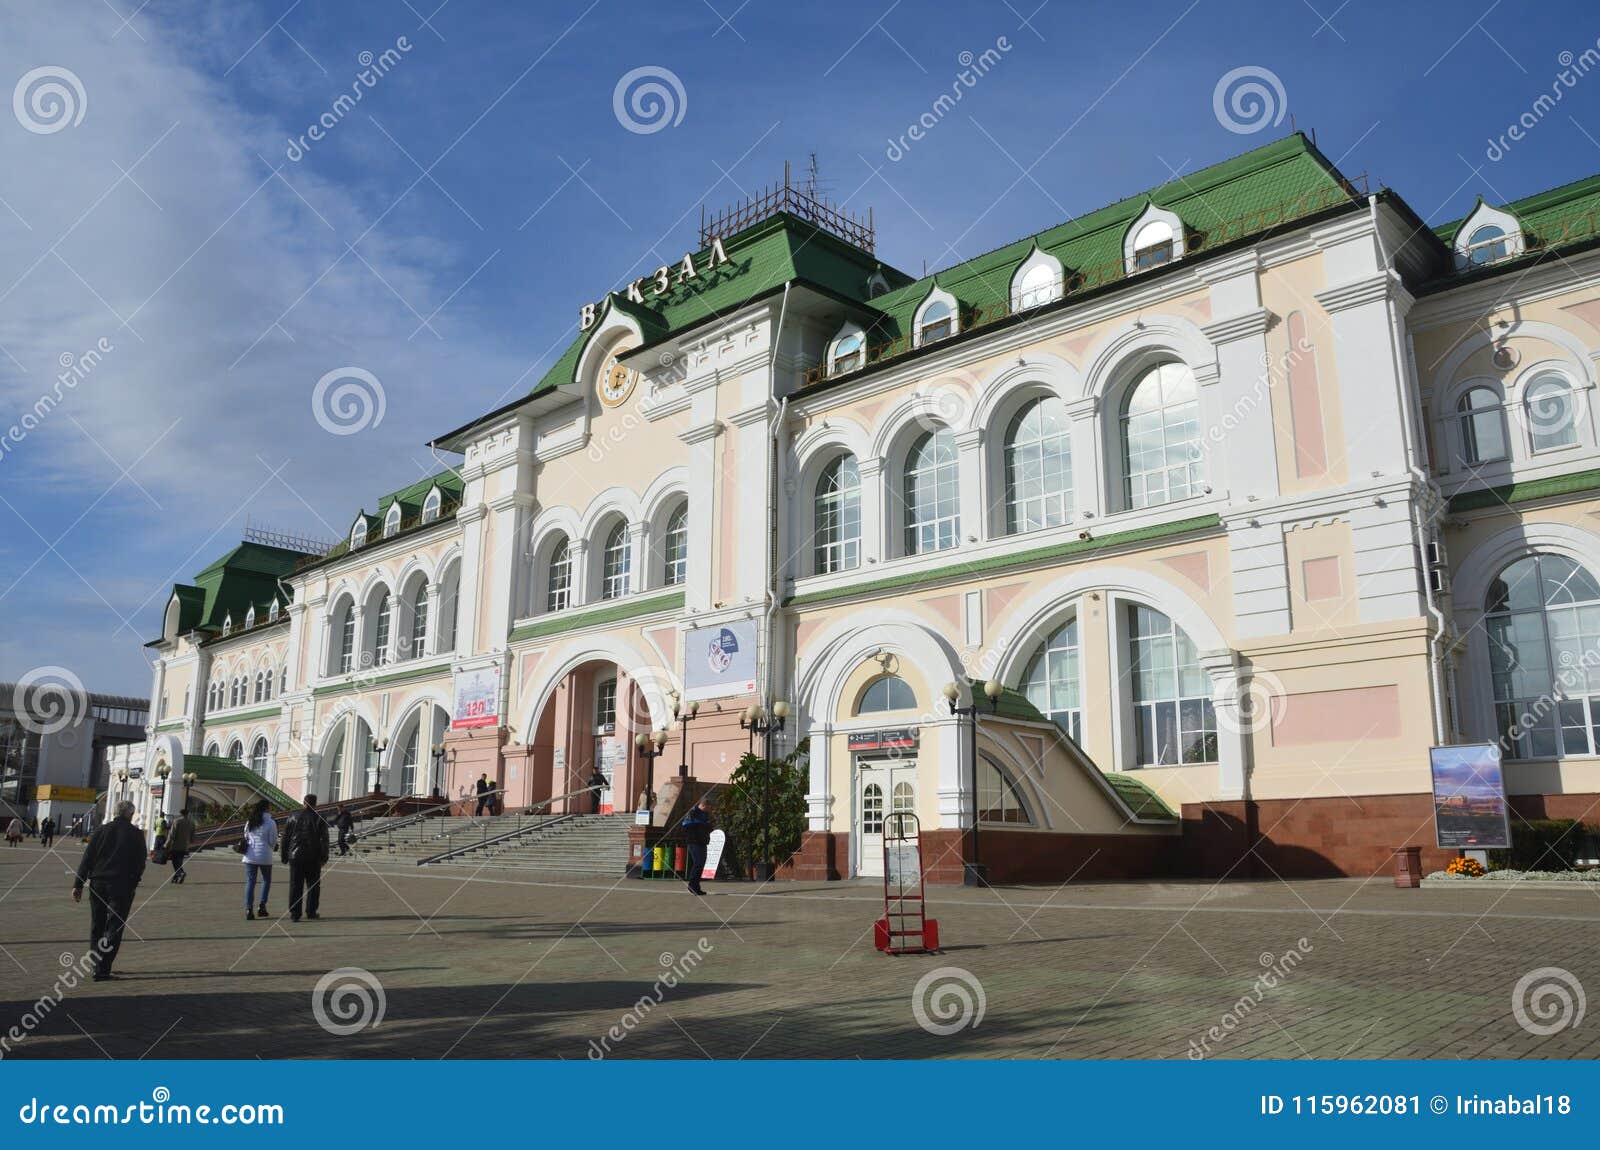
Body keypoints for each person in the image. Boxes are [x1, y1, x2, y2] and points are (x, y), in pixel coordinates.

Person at [71, 800, 146, 980]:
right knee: (114, 925)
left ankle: (96, 965)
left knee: (97, 924)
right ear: (130, 814)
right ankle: (103, 968)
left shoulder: (101, 831)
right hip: (122, 885)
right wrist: (133, 882)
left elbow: (87, 859)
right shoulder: (136, 834)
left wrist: (78, 884)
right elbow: (140, 862)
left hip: (98, 882)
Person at [280, 794, 330, 922]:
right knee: (313, 885)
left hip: (295, 856)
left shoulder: (293, 816)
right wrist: (324, 858)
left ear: (304, 803)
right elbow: (324, 840)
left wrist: (284, 855)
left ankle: (295, 913)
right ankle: (311, 911)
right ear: (315, 804)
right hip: (313, 856)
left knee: (295, 884)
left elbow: (286, 837)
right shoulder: (319, 818)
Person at [241, 799, 277, 921]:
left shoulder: (250, 821)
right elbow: (273, 840)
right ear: (266, 808)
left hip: (250, 855)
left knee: (250, 881)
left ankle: (248, 909)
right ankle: (262, 906)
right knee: (266, 880)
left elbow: (245, 836)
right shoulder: (271, 822)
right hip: (265, 855)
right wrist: (269, 848)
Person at [682, 799, 714, 896]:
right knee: (698, 863)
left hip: (702, 842)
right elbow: (686, 826)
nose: (710, 810)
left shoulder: (705, 814)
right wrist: (701, 828)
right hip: (694, 842)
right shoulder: (693, 813)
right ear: (704, 805)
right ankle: (692, 886)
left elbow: (709, 827)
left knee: (700, 863)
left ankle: (696, 886)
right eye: (709, 807)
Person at [166, 807, 194, 884]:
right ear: (187, 814)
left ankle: (180, 873)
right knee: (179, 861)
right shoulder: (191, 822)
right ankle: (176, 877)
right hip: (185, 846)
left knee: (175, 862)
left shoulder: (177, 821)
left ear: (180, 814)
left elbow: (172, 834)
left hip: (175, 845)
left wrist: (166, 844)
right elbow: (192, 835)